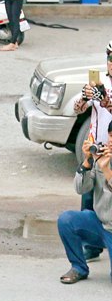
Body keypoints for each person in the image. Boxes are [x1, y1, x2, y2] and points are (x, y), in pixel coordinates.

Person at [72, 40, 112, 260]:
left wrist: (106, 101)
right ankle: (92, 245)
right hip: (96, 150)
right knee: (88, 197)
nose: (111, 64)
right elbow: (76, 109)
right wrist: (86, 96)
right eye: (109, 58)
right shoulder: (100, 81)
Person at [59, 143, 112, 284]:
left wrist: (107, 170)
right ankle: (79, 268)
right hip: (102, 224)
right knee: (67, 220)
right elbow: (81, 189)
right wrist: (87, 161)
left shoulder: (105, 165)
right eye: (111, 136)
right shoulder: (101, 158)